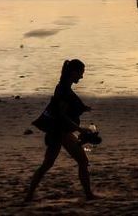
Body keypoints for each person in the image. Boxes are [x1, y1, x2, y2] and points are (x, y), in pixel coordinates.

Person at [24, 59, 97, 202]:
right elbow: (62, 115)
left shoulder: (64, 87)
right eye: (81, 73)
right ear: (73, 72)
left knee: (47, 164)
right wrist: (80, 129)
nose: (82, 77)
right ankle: (89, 195)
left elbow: (66, 108)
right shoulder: (63, 89)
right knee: (82, 160)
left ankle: (29, 196)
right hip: (60, 132)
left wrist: (82, 108)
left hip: (58, 131)